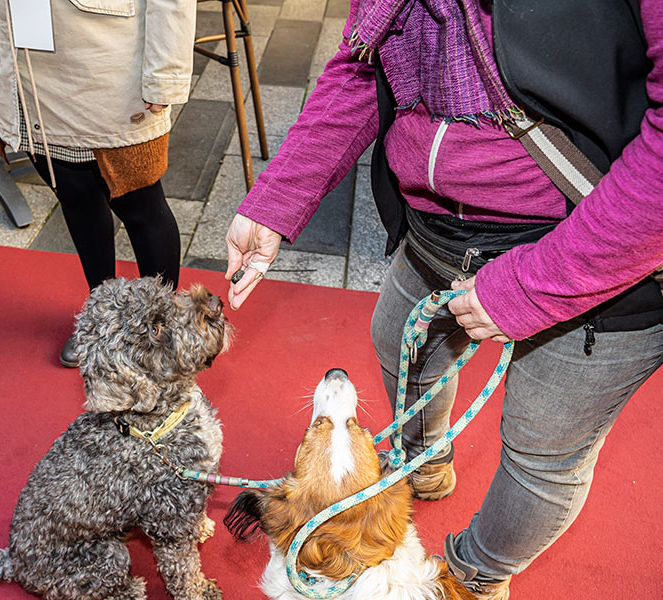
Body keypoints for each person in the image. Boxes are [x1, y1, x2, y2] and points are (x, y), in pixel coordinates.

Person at [224, 0, 663, 598]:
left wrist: (526, 288)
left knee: (541, 453)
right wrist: (278, 198)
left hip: (601, 246)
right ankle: (422, 465)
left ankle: (476, 576)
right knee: (395, 342)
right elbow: (360, 64)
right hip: (437, 232)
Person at [0, 0, 193, 367]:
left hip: (104, 53)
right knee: (74, 194)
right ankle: (102, 315)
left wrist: (166, 72)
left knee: (140, 202)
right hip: (19, 56)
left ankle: (159, 328)